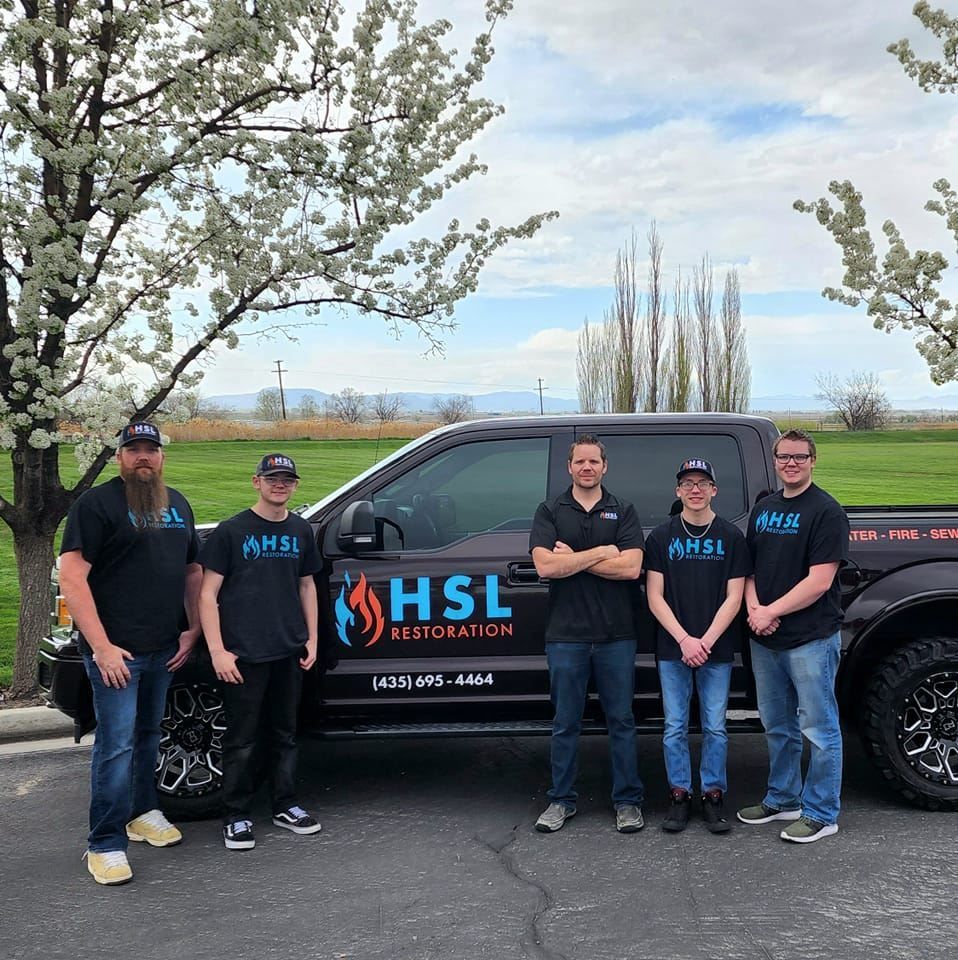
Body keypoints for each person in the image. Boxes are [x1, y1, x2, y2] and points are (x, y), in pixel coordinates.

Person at [60, 422, 202, 886]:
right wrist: (100, 647)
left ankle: (143, 813)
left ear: (162, 457)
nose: (144, 456)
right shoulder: (96, 505)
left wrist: (192, 629)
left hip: (163, 646)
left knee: (147, 736)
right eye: (134, 449)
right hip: (116, 652)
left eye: (151, 449)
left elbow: (192, 569)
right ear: (119, 457)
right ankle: (103, 843)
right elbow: (73, 577)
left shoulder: (176, 503)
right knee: (115, 747)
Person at [199, 453, 322, 851]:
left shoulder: (301, 531)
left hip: (288, 649)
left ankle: (285, 804)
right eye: (272, 479)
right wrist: (218, 650)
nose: (280, 485)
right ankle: (235, 814)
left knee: (284, 734)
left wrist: (312, 639)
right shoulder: (231, 532)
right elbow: (207, 593)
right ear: (256, 482)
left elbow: (307, 586)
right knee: (242, 739)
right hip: (243, 654)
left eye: (287, 479)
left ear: (295, 486)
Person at [737, 429, 850, 844]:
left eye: (799, 457)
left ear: (813, 460)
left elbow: (820, 581)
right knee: (777, 726)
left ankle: (822, 812)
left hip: (810, 638)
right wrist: (754, 610)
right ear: (775, 460)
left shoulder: (826, 511)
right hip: (765, 638)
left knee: (819, 728)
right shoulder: (764, 508)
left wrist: (770, 611)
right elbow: (748, 569)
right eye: (784, 457)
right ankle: (783, 798)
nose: (791, 463)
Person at [529, 435, 645, 833]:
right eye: (580, 461)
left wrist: (574, 559)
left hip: (617, 635)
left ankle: (628, 801)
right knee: (565, 722)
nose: (587, 467)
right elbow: (545, 567)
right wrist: (602, 552)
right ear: (570, 467)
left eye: (594, 461)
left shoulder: (623, 510)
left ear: (604, 467)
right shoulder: (549, 510)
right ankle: (561, 800)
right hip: (566, 636)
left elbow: (631, 568)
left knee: (622, 720)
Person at [644, 458, 751, 834]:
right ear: (678, 491)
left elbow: (734, 596)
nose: (695, 489)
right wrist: (685, 639)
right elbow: (655, 597)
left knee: (715, 727)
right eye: (688, 483)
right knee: (674, 726)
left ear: (714, 490)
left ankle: (713, 795)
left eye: (703, 483)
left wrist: (704, 641)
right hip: (674, 648)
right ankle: (678, 795)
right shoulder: (661, 537)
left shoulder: (731, 537)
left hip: (715, 649)